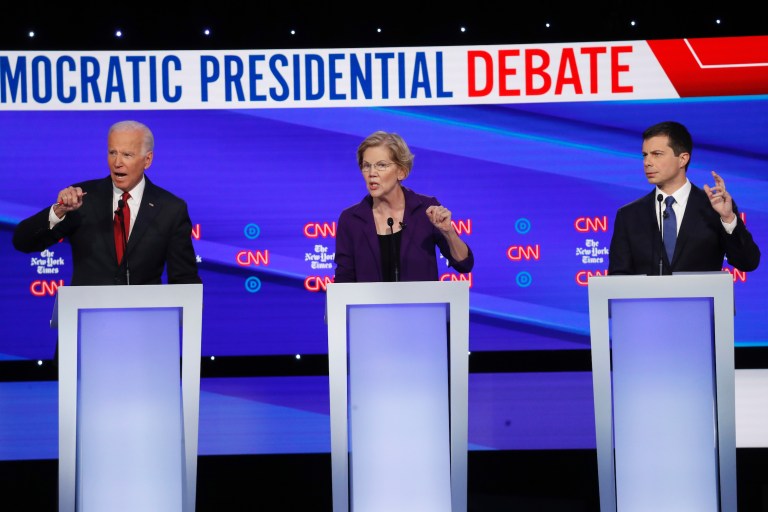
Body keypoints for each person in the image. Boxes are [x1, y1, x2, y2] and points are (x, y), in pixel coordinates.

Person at [13, 120, 201, 286]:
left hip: (146, 321)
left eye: (127, 155)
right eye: (112, 152)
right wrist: (59, 211)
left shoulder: (170, 209)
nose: (117, 162)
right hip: (87, 319)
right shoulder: (81, 199)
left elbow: (185, 280)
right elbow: (23, 242)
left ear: (147, 160)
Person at [608, 120, 760, 276]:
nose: (647, 162)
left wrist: (728, 218)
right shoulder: (629, 215)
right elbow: (618, 277)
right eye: (645, 155)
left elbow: (748, 262)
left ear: (683, 159)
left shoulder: (714, 207)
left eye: (657, 154)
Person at [334, 130, 474, 282]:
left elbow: (465, 265)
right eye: (366, 166)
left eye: (381, 165)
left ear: (402, 172)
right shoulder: (351, 219)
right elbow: (344, 281)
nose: (372, 173)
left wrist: (448, 232)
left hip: (421, 305)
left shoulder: (426, 210)